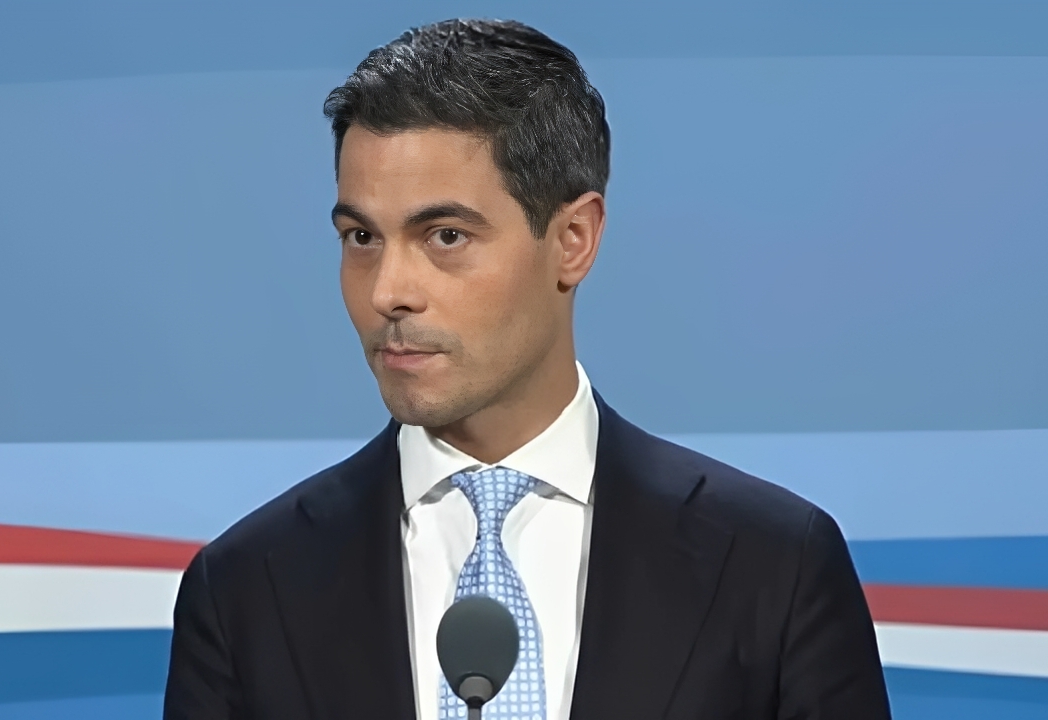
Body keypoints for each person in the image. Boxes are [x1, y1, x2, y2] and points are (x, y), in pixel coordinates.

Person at [164, 18, 890, 720]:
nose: (388, 291)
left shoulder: (772, 567)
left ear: (573, 239)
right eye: (361, 237)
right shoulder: (245, 591)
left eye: (445, 236)